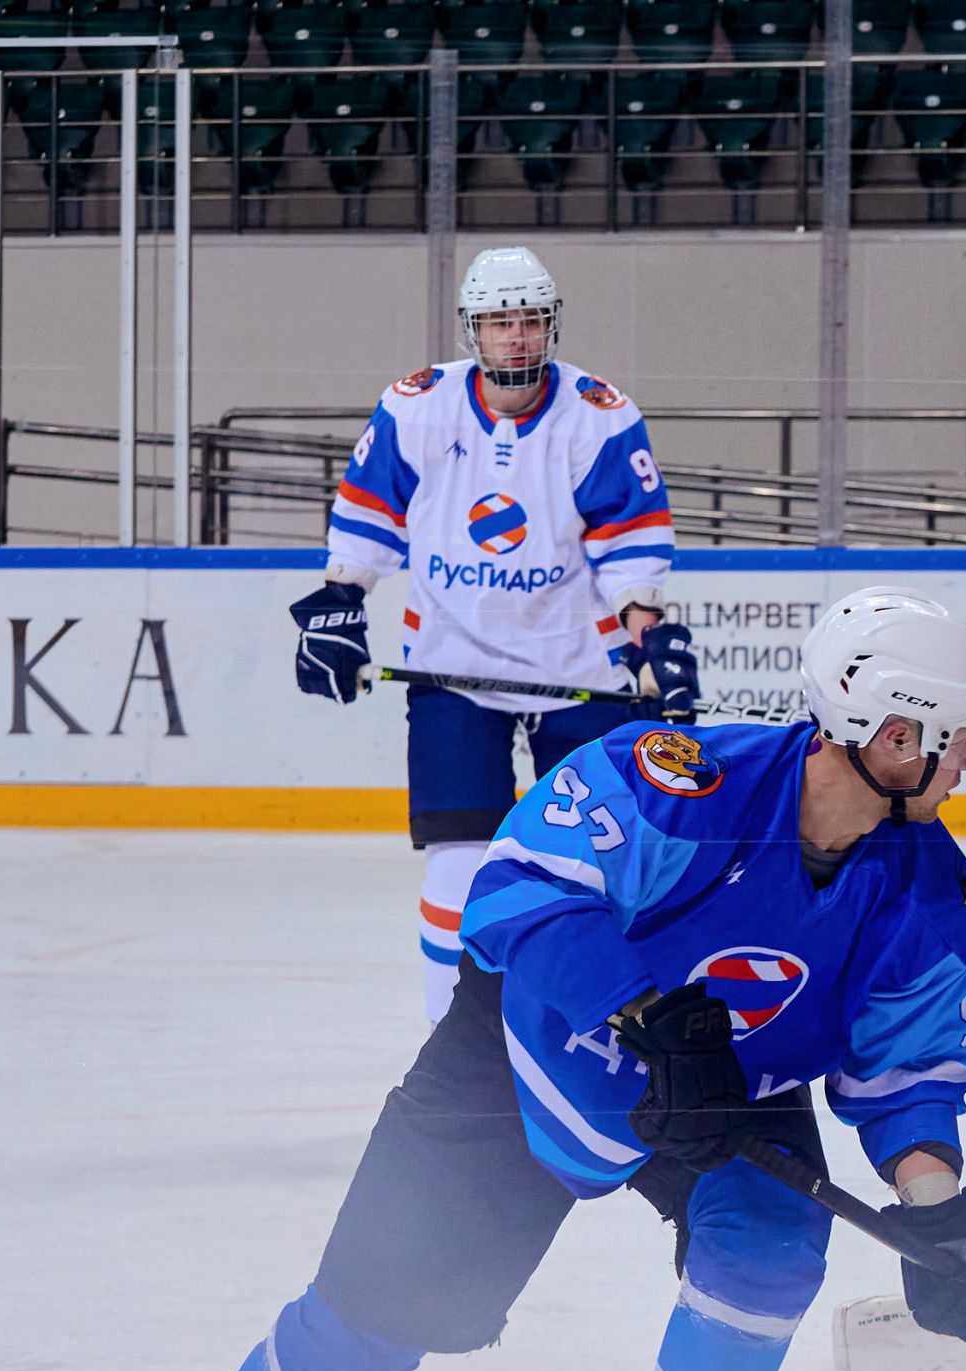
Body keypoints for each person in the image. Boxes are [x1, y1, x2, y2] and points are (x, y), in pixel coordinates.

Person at [64, 589, 966, 1371]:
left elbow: (905, 1074)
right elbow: (520, 891)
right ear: (893, 734)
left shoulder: (934, 898)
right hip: (528, 1050)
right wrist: (648, 1015)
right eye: (962, 737)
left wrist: (935, 1211)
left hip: (726, 1092)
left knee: (770, 1252)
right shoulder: (679, 782)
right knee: (373, 1314)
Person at [287, 244, 695, 1021]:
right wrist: (341, 602)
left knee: (602, 862)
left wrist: (649, 638)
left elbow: (630, 541)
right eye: (499, 321)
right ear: (471, 328)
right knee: (459, 859)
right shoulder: (416, 406)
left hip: (578, 670)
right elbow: (369, 514)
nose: (516, 335)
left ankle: (596, 1025)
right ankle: (451, 1041)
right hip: (451, 668)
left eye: (530, 319)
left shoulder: (600, 415)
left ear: (552, 325)